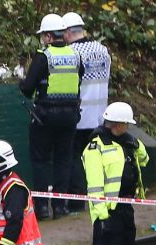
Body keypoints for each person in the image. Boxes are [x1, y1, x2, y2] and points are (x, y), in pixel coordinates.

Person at [82, 102, 150, 245]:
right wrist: (102, 216)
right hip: (108, 214)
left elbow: (145, 160)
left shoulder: (126, 143)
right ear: (117, 124)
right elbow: (94, 185)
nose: (129, 128)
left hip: (125, 209)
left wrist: (136, 145)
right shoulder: (96, 146)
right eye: (126, 124)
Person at [19, 13, 83, 220]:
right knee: (64, 160)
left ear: (48, 36)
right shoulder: (75, 55)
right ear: (62, 34)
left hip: (45, 117)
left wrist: (21, 81)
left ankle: (42, 208)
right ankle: (60, 206)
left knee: (41, 161)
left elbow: (28, 89)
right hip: (70, 116)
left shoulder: (43, 57)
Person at [64, 11, 112, 214]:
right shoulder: (102, 50)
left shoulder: (72, 53)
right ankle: (101, 199)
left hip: (80, 116)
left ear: (67, 32)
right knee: (97, 159)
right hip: (101, 116)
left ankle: (76, 204)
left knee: (74, 159)